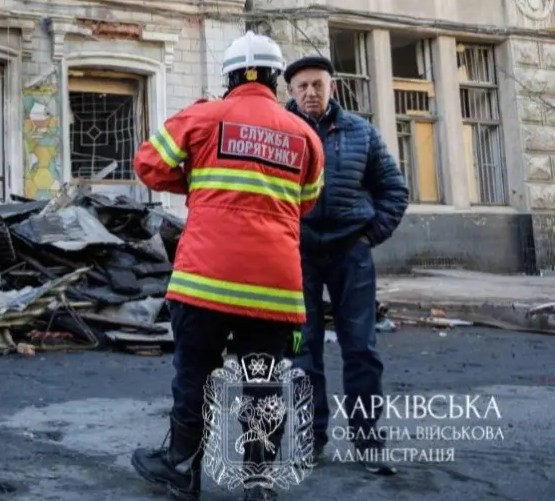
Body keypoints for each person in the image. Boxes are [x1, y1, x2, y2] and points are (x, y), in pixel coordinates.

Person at [130, 31, 326, 501]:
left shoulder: (204, 115)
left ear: (230, 76)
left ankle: (181, 466)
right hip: (274, 288)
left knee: (194, 372)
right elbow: (307, 203)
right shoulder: (304, 135)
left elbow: (148, 164)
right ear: (278, 79)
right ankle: (259, 482)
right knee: (263, 382)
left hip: (205, 281)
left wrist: (198, 180)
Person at [283, 56, 408, 474]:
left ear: (332, 87)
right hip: (296, 256)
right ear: (290, 92)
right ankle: (310, 441)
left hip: (350, 254)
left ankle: (369, 444)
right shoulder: (279, 132)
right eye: (301, 86)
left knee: (362, 350)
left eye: (317, 84)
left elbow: (394, 189)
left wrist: (368, 236)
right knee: (303, 352)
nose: (310, 93)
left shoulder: (360, 132)